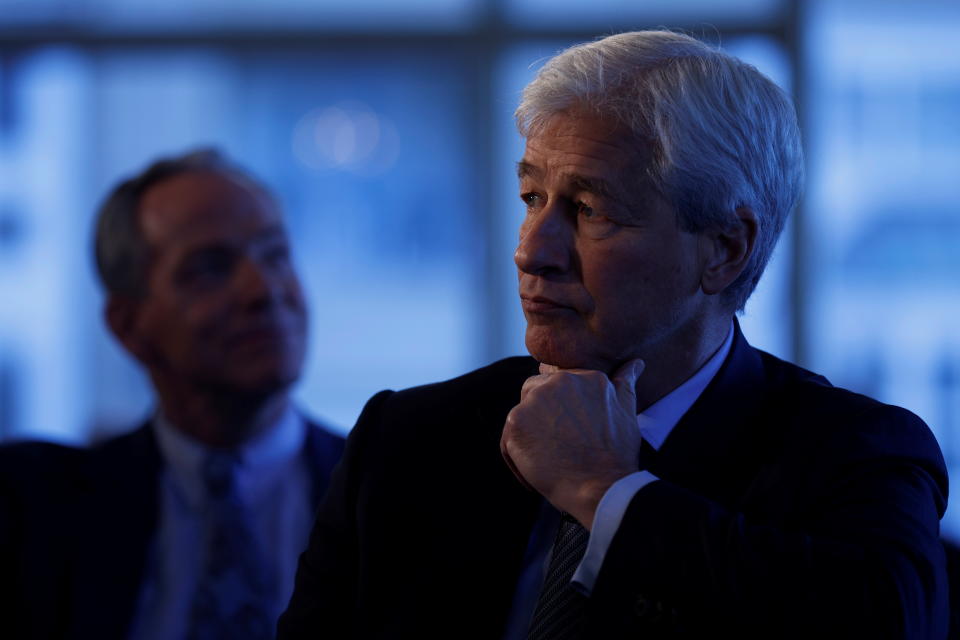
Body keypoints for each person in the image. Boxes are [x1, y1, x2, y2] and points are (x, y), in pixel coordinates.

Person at [277, 31, 948, 640]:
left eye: (589, 210)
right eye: (532, 199)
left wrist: (606, 493)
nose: (532, 251)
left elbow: (889, 623)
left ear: (724, 249)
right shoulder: (412, 436)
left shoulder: (856, 453)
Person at [0, 149, 345, 639]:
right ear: (128, 325)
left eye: (276, 255)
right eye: (210, 268)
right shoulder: (36, 515)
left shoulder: (398, 497)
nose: (262, 290)